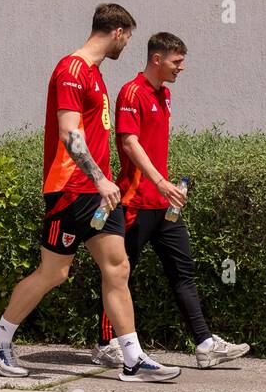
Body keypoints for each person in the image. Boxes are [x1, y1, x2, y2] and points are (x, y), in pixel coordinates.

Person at [0, 4, 180, 383]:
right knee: (54, 272)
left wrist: (104, 183)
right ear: (117, 32)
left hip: (97, 192)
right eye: (128, 37)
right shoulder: (71, 70)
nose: (126, 45)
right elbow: (70, 134)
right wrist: (101, 179)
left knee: (117, 267)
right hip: (72, 189)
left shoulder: (94, 75)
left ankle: (133, 360)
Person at [91, 33, 249, 370]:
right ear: (156, 59)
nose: (182, 67)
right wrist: (161, 182)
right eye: (176, 61)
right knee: (119, 275)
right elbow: (130, 143)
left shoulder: (165, 96)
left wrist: (170, 187)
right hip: (134, 203)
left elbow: (153, 146)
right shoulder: (131, 93)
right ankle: (106, 344)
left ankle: (205, 344)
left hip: (164, 206)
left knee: (183, 272)